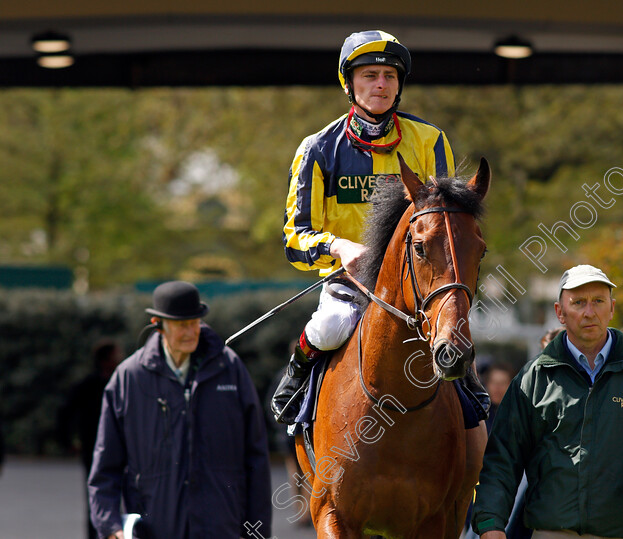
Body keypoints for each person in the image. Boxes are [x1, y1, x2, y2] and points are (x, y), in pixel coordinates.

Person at [272, 29, 488, 426]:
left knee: (454, 336)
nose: (381, 84)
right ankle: (297, 378)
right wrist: (339, 247)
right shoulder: (317, 149)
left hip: (418, 289)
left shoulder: (430, 139)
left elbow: (446, 220)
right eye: (369, 75)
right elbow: (294, 238)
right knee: (329, 327)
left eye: (389, 76)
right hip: (349, 288)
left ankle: (468, 393)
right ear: (349, 83)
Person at [472, 264, 623, 539]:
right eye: (578, 303)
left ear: (611, 308)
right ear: (559, 313)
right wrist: (490, 525)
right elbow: (502, 460)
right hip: (551, 532)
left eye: (598, 301)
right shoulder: (534, 378)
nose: (590, 312)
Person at [88, 281, 272, 539]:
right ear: (158, 325)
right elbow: (105, 466)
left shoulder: (230, 368)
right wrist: (110, 526)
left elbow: (256, 458)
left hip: (222, 528)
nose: (191, 332)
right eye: (181, 325)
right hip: (154, 529)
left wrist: (258, 533)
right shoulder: (128, 378)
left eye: (195, 323)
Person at [58, 339, 123, 539]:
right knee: (97, 495)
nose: (119, 359)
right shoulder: (89, 384)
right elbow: (65, 413)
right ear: (105, 360)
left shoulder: (124, 381)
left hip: (122, 448)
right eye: (115, 356)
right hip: (93, 448)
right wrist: (68, 442)